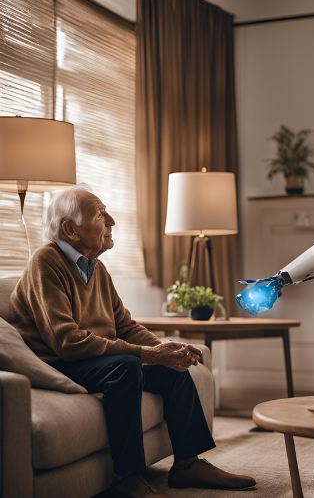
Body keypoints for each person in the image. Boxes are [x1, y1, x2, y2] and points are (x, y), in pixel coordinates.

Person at [10, 183, 256, 498]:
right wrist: (146, 354)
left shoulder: (96, 269)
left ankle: (187, 465)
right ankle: (127, 476)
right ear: (71, 229)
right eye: (100, 214)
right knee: (127, 366)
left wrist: (166, 351)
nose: (111, 220)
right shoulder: (46, 262)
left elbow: (124, 325)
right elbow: (66, 341)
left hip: (97, 360)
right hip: (63, 364)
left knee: (171, 369)